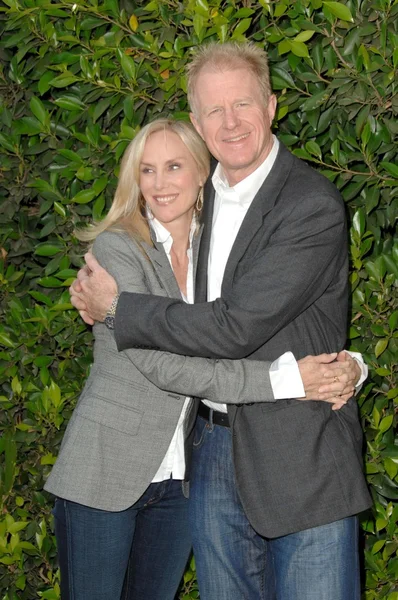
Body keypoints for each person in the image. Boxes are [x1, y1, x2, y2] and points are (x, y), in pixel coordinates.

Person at [70, 43, 372, 600]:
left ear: (272, 105)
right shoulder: (193, 197)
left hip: (299, 456)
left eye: (243, 104)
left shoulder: (309, 204)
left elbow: (234, 327)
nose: (231, 122)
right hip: (210, 456)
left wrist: (119, 308)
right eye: (215, 110)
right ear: (196, 122)